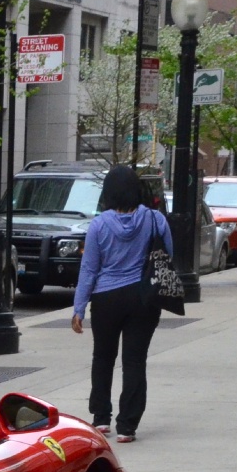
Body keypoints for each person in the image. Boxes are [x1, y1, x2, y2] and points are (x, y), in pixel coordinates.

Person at [70, 164, 171, 443]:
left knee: (103, 357)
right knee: (135, 361)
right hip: (143, 298)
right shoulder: (155, 220)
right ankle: (127, 425)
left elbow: (89, 269)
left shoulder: (99, 225)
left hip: (106, 299)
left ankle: (101, 418)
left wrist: (79, 307)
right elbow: (168, 255)